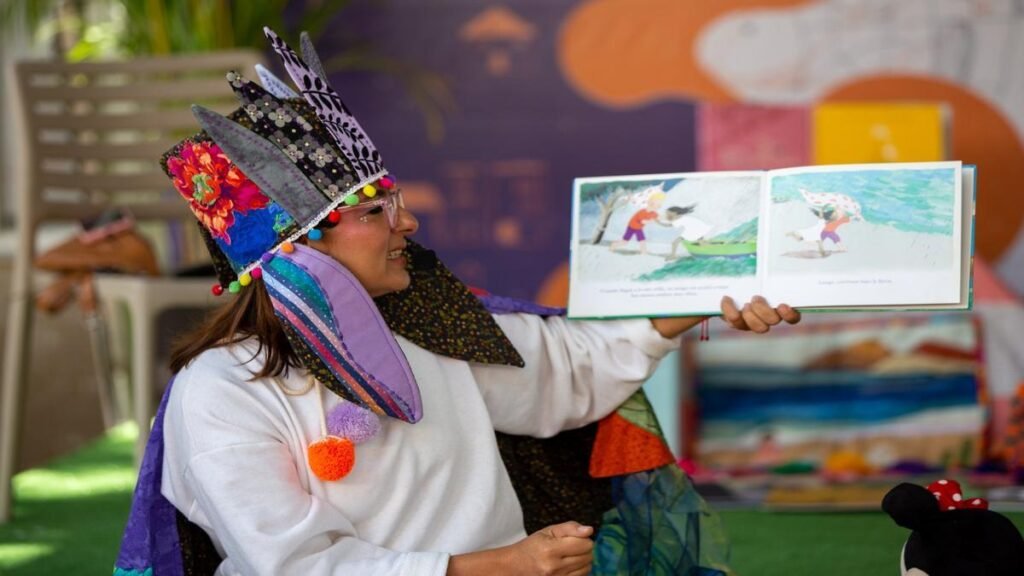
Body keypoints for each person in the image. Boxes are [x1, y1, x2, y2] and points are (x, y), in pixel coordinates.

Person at [114, 29, 800, 576]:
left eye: (399, 203)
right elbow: (293, 566)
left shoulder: (434, 326)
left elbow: (567, 371)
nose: (406, 224)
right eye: (378, 209)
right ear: (298, 247)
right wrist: (501, 565)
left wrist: (709, 297)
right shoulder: (223, 392)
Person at [608, 188, 665, 255]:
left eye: (659, 205)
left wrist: (665, 217)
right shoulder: (642, 212)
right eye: (658, 205)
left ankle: (643, 252)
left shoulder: (653, 213)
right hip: (632, 227)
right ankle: (613, 245)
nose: (658, 207)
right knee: (625, 242)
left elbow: (659, 218)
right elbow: (643, 222)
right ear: (651, 203)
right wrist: (653, 220)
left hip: (638, 228)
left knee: (642, 240)